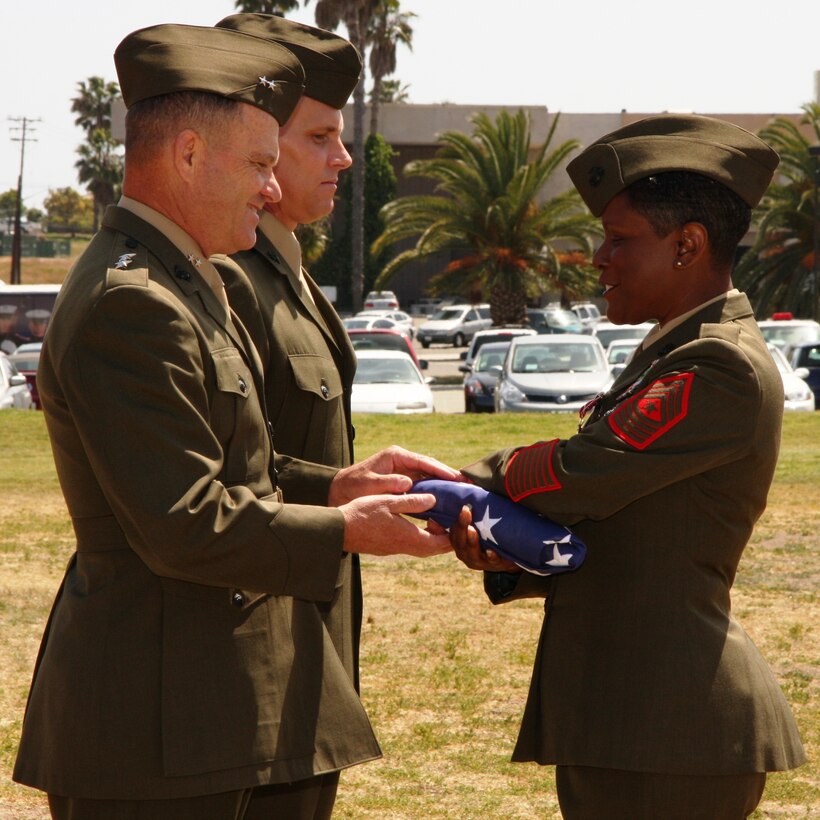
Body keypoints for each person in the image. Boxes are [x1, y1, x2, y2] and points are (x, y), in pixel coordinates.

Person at [13, 23, 455, 820]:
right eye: (257, 164)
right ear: (187, 155)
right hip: (152, 731)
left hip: (191, 717)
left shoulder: (181, 281)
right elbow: (184, 520)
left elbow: (236, 467)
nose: (270, 187)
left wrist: (339, 488)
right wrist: (348, 530)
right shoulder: (135, 303)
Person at [449, 114, 806, 819]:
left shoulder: (719, 361)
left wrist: (460, 479)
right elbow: (632, 529)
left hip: (669, 728)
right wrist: (515, 553)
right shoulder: (671, 352)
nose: (600, 259)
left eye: (620, 240)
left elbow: (588, 472)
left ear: (688, 246)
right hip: (636, 719)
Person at [212, 15, 366, 814]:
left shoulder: (290, 270)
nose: (342, 158)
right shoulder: (231, 275)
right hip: (252, 670)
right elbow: (237, 479)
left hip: (310, 648)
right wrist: (348, 497)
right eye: (320, 138)